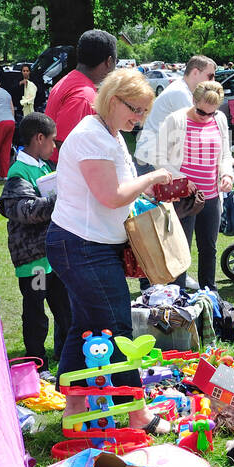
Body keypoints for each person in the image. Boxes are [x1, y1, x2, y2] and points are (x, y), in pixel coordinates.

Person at [45, 68, 174, 433]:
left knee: (85, 326)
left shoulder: (108, 133)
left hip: (90, 245)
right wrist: (153, 177)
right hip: (82, 247)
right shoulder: (92, 137)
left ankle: (73, 410)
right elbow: (110, 195)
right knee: (117, 328)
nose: (140, 117)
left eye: (145, 111)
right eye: (135, 108)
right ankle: (136, 414)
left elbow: (115, 192)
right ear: (112, 99)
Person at [0, 112, 71, 373]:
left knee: (65, 309)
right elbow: (23, 210)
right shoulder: (19, 171)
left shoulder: (44, 167)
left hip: (51, 257)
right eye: (52, 141)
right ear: (39, 139)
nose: (54, 146)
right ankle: (37, 364)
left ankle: (67, 357)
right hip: (34, 262)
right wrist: (59, 199)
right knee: (36, 314)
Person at [151, 80, 234, 290]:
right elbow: (159, 157)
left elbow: (225, 154)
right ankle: (176, 293)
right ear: (192, 100)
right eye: (201, 111)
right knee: (180, 248)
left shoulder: (220, 120)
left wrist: (226, 174)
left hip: (211, 195)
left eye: (211, 113)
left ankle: (209, 293)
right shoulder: (175, 120)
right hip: (183, 197)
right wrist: (182, 179)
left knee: (209, 248)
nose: (206, 116)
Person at [133, 54, 216, 172]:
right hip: (151, 161)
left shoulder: (183, 90)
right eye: (210, 76)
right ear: (195, 72)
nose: (213, 81)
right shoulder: (180, 92)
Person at [44, 29, 117, 157]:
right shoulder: (83, 95)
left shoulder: (69, 80)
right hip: (65, 171)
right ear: (109, 61)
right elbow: (64, 143)